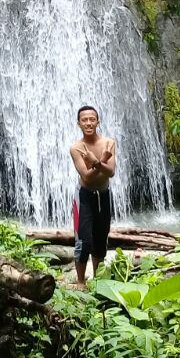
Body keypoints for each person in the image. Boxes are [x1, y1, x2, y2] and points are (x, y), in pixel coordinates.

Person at [70, 105, 116, 287]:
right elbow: (86, 177)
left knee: (101, 236)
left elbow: (111, 172)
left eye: (92, 119)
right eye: (84, 120)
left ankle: (98, 280)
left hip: (104, 194)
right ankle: (81, 281)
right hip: (84, 196)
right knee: (83, 240)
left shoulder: (109, 143)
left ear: (98, 121)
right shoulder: (76, 148)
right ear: (78, 123)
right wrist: (101, 161)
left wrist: (96, 161)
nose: (88, 123)